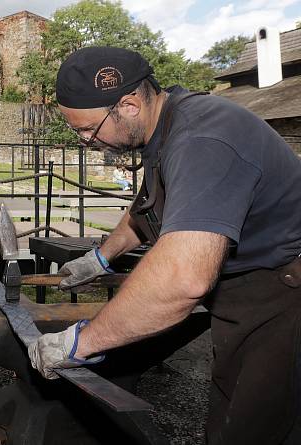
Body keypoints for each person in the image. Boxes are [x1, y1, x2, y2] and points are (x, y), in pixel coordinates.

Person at [27, 46, 301, 444]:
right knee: (236, 409)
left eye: (89, 129)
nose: (88, 141)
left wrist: (80, 341)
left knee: (256, 428)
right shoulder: (165, 128)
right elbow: (145, 209)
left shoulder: (203, 138)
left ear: (129, 105)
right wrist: (100, 258)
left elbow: (183, 279)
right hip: (252, 292)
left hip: (286, 292)